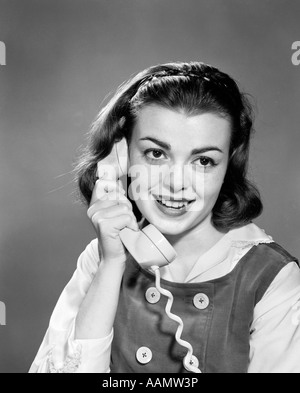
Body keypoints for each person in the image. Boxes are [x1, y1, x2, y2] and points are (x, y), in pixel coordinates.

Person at [29, 61, 300, 373]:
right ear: (121, 155)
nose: (177, 183)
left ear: (229, 166)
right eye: (156, 154)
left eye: (203, 161)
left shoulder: (272, 278)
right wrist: (111, 265)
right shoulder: (102, 258)